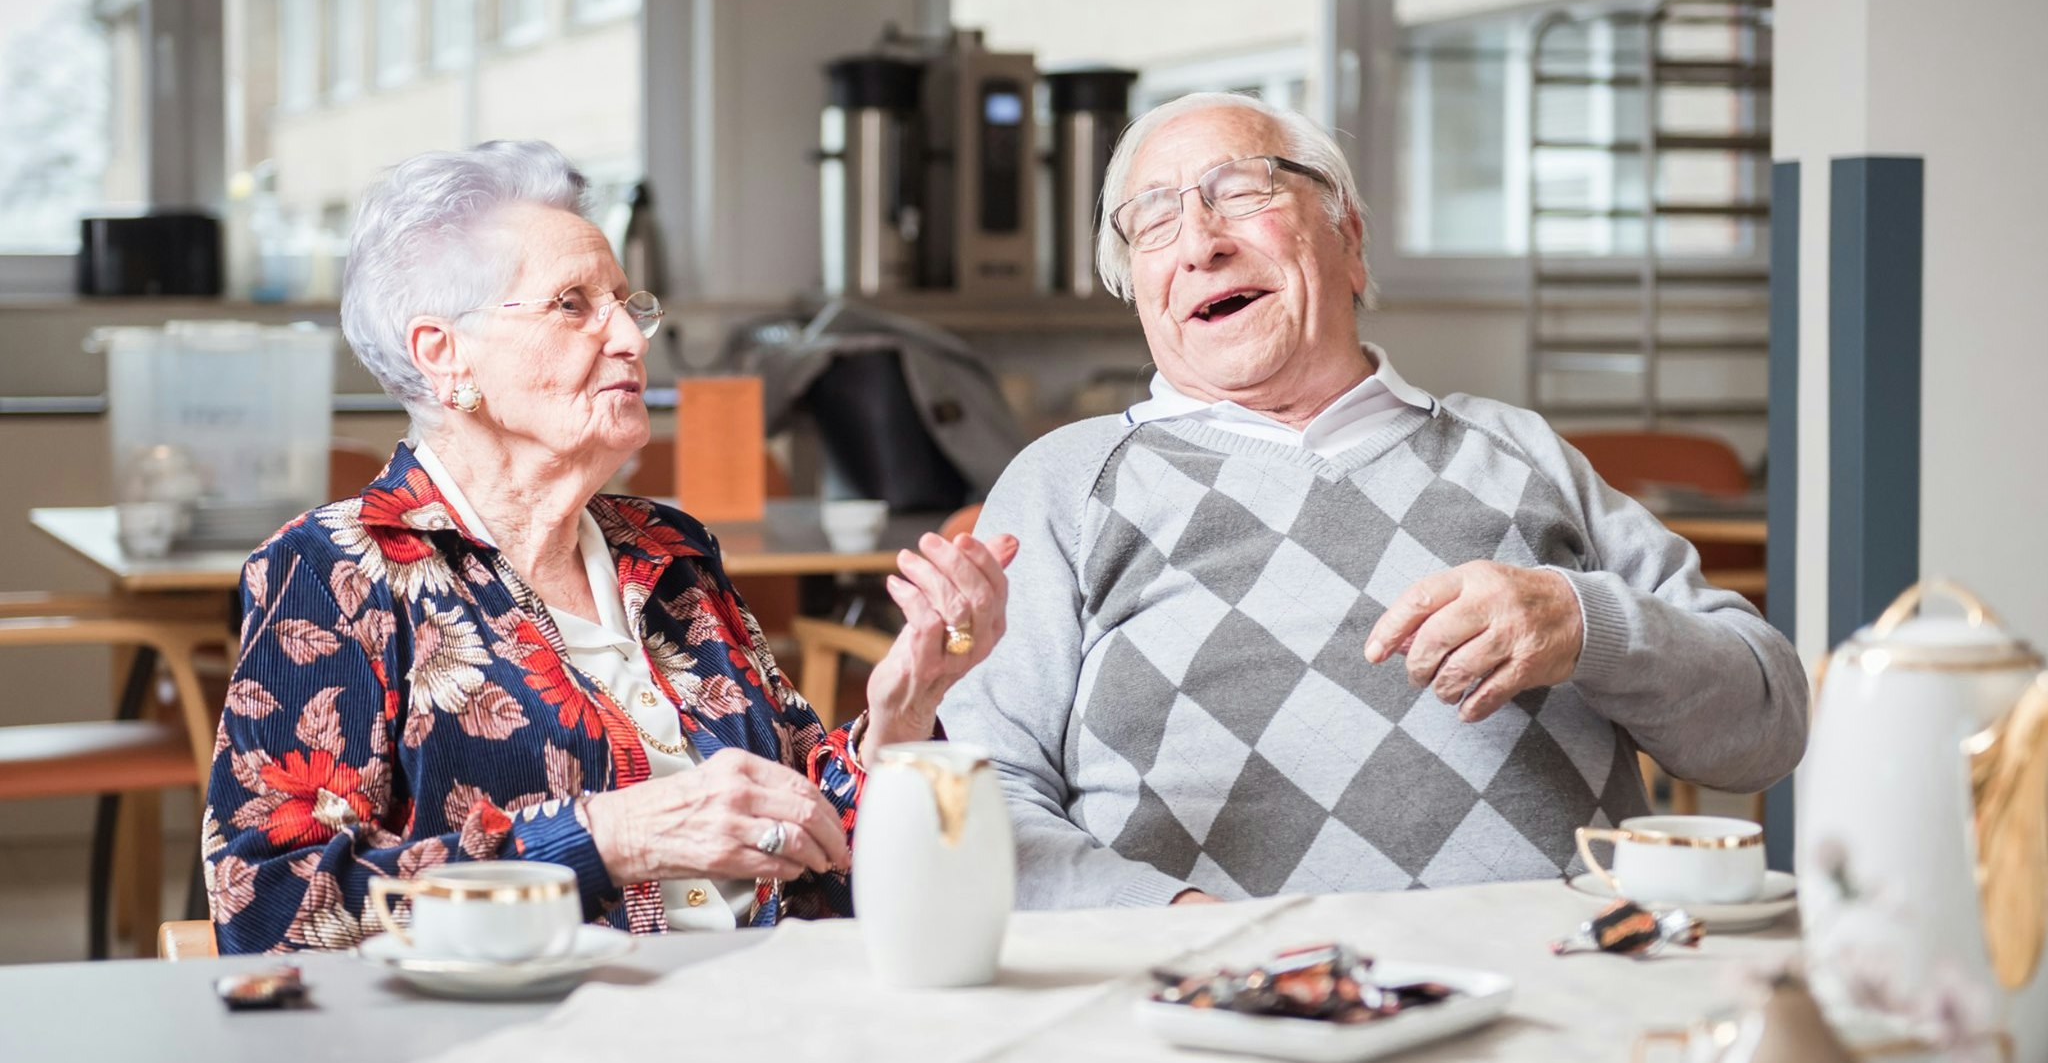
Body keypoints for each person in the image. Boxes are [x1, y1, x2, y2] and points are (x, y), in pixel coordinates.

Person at [938, 92, 1806, 910]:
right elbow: (973, 795)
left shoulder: (1519, 452)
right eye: (1154, 222)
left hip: (1557, 992)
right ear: (1141, 291)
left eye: (1240, 191)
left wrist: (1588, 626)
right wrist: (1167, 921)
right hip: (1217, 1010)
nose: (1200, 243)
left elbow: (1765, 728)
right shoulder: (1070, 484)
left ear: (1348, 237)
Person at [204, 141, 1015, 953]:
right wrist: (610, 838)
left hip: (771, 1002)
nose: (629, 335)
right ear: (442, 353)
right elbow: (272, 908)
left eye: (628, 303)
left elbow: (816, 844)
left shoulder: (669, 552)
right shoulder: (336, 570)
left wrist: (905, 710)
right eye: (572, 304)